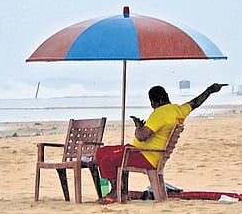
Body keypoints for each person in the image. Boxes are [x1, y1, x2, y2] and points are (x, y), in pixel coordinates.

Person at [96, 83, 227, 204]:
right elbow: (195, 103)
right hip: (153, 154)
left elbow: (142, 136)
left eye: (152, 103)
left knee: (107, 157)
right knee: (102, 151)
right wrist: (210, 90)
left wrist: (138, 127)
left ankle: (115, 192)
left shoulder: (160, 114)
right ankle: (122, 191)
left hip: (145, 156)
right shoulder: (179, 110)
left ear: (155, 101)